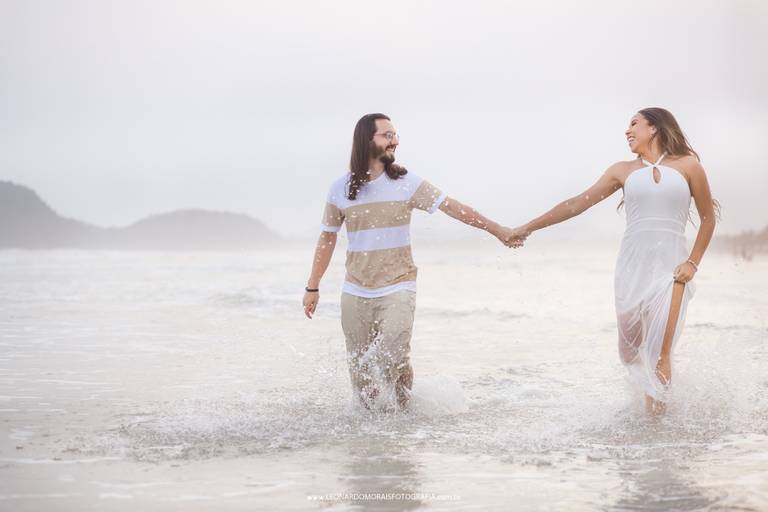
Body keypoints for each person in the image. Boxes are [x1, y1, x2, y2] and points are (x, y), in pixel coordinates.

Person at [507, 107, 717, 414]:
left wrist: (692, 263)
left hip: (672, 271)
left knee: (661, 352)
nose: (627, 131)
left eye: (634, 124)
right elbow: (577, 203)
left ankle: (658, 435)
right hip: (631, 269)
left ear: (654, 128)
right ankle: (645, 406)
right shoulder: (623, 171)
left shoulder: (689, 166)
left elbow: (708, 218)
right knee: (630, 353)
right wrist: (528, 227)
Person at [303, 113, 518, 410]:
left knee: (394, 358)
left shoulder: (406, 182)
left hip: (398, 286)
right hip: (356, 291)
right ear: (367, 140)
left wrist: (497, 230)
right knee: (360, 372)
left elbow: (454, 208)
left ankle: (404, 417)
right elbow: (327, 238)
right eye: (387, 135)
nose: (396, 141)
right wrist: (312, 287)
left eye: (395, 135)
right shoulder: (340, 188)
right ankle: (370, 436)